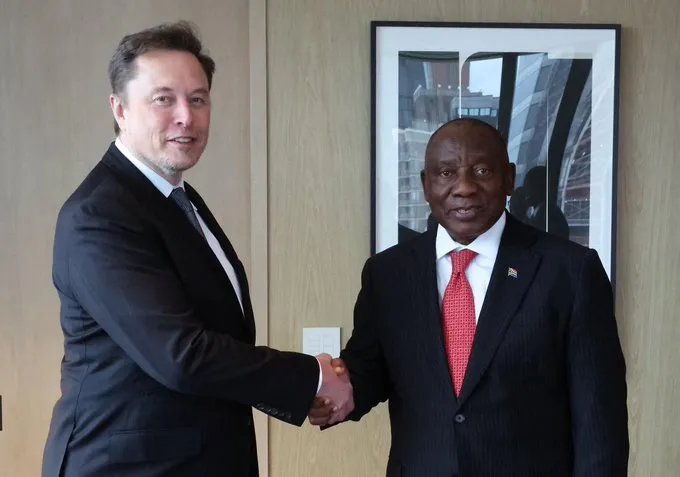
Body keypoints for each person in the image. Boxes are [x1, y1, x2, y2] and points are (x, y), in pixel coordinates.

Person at [41, 21, 352, 477]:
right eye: (163, 99)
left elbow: (217, 339)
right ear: (120, 109)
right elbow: (181, 356)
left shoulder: (174, 198)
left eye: (198, 99)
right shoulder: (100, 215)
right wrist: (313, 377)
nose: (186, 116)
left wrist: (304, 388)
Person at [310, 118, 628, 476]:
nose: (464, 188)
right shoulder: (387, 274)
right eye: (446, 173)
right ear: (426, 185)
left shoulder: (570, 272)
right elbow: (370, 369)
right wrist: (328, 393)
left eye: (482, 171)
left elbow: (600, 419)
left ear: (509, 178)